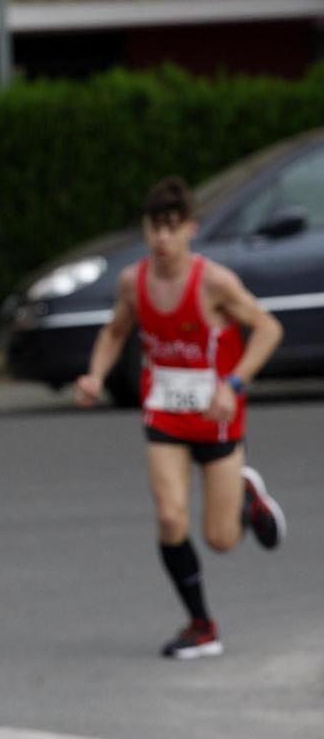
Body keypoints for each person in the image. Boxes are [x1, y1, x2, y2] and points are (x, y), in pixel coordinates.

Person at [75, 176, 285, 659]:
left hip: (217, 416)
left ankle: (247, 499)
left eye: (173, 227)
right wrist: (94, 375)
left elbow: (268, 329)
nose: (163, 238)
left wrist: (234, 385)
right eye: (155, 227)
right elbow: (114, 332)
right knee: (170, 518)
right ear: (147, 230)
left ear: (191, 229)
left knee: (221, 539)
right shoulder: (134, 281)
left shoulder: (214, 281)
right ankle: (201, 625)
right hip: (166, 413)